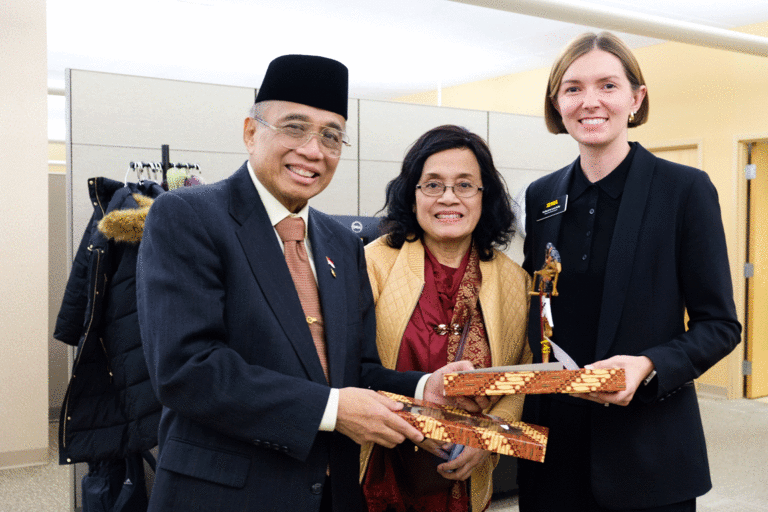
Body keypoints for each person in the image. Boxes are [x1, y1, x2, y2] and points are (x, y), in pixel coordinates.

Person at [136, 55, 481, 512]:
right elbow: (186, 370)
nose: (314, 150)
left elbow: (356, 371)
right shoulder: (189, 216)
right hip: (224, 494)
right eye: (295, 128)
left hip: (331, 494)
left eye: (331, 136)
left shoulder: (341, 243)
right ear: (251, 132)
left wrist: (423, 388)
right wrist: (332, 409)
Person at [517, 32, 741, 512]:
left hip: (648, 449)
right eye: (573, 88)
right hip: (553, 451)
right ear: (556, 104)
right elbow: (536, 308)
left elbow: (720, 325)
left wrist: (649, 365)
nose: (590, 101)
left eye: (608, 85)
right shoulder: (542, 196)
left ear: (636, 99)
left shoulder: (684, 190)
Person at [361, 125, 533, 512]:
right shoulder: (371, 265)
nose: (448, 197)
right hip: (382, 469)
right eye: (433, 185)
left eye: (465, 185)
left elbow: (522, 375)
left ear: (485, 195)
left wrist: (490, 435)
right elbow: (346, 365)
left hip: (467, 477)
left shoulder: (514, 281)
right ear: (412, 195)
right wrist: (415, 422)